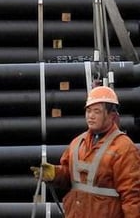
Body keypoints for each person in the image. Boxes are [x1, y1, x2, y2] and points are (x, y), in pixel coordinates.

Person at [32, 85, 140, 217]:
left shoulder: (123, 148)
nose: (91, 116)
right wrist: (56, 174)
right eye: (88, 111)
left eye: (97, 111)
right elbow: (71, 176)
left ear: (111, 115)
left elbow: (132, 196)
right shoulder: (78, 143)